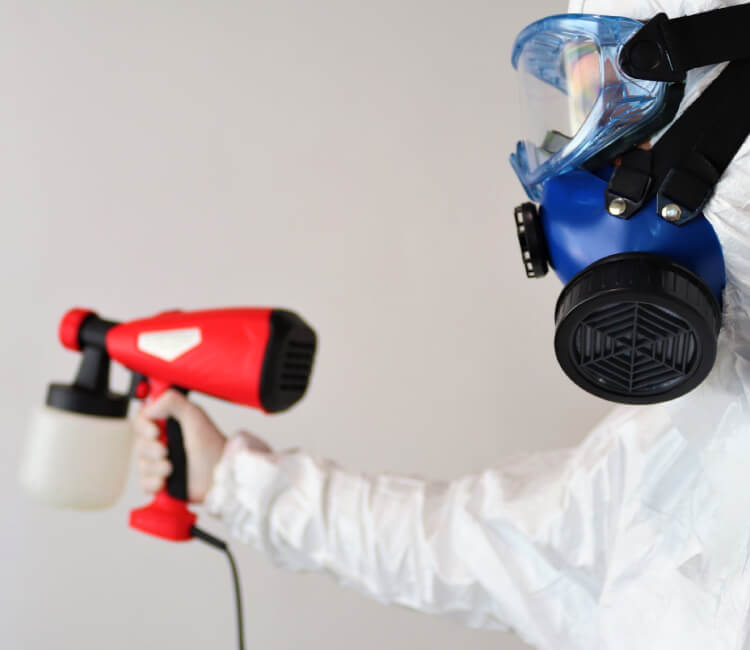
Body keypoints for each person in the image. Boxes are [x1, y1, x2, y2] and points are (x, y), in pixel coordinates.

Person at [135, 1, 750, 648]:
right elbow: (489, 547)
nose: (573, 171)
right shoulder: (679, 446)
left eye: (622, 118)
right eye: (582, 114)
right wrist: (232, 482)